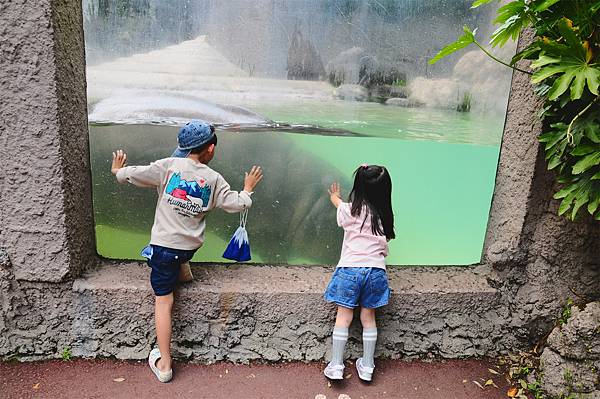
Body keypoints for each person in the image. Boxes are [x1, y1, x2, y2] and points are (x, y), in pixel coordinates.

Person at [110, 120, 263, 383]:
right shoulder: (215, 180)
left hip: (163, 249)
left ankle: (166, 364)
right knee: (177, 256)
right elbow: (236, 204)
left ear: (182, 147)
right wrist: (248, 189)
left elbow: (135, 174)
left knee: (164, 301)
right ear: (211, 149)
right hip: (188, 250)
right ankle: (183, 272)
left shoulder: (167, 166)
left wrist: (117, 171)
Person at [323, 164, 395, 382]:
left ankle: (336, 365)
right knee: (368, 317)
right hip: (375, 272)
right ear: (386, 191)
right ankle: (368, 366)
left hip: (350, 270)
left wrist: (335, 196)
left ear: (358, 188)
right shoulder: (385, 217)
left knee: (343, 317)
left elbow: (339, 205)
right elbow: (384, 245)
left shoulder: (349, 210)